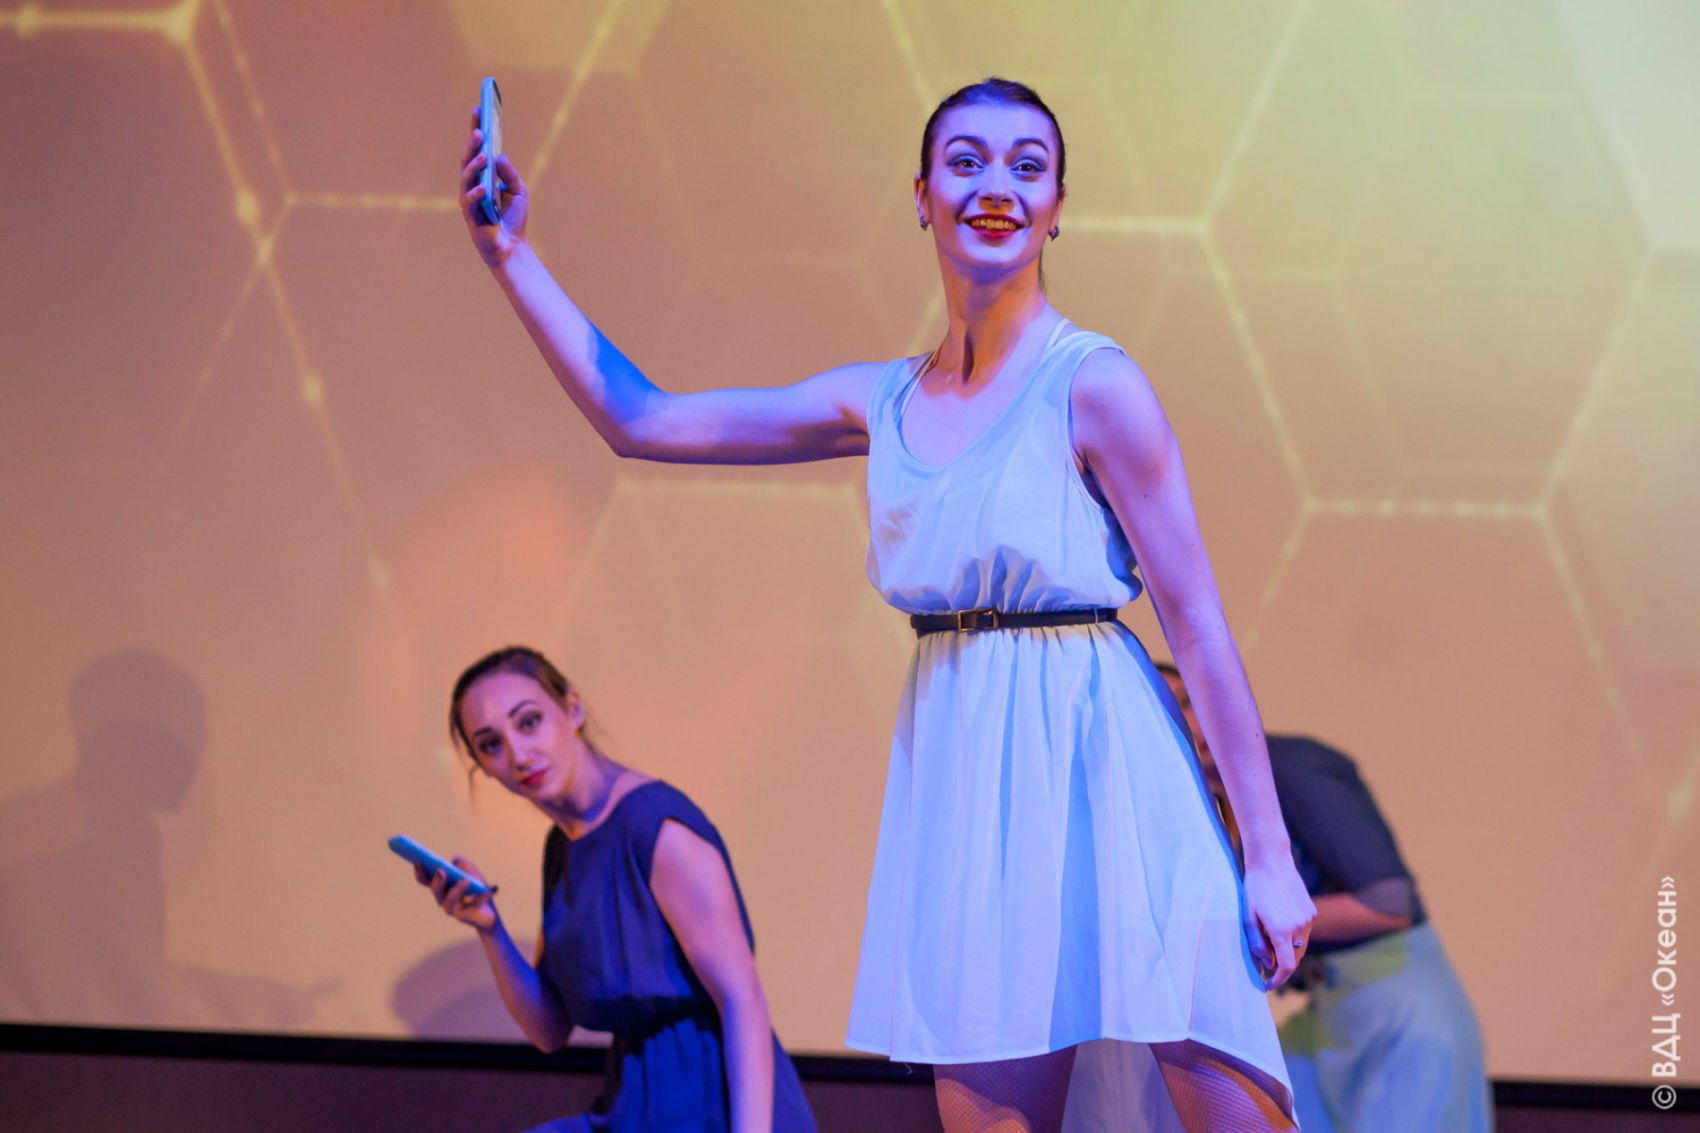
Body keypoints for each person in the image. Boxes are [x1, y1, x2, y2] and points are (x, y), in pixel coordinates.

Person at [457, 77, 1314, 1133]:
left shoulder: (1095, 384)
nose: (995, 186)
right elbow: (643, 419)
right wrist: (512, 257)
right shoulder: (882, 399)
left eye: (1027, 167)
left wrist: (1268, 856)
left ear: (1056, 208)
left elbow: (1199, 624)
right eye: (965, 162)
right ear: (920, 195)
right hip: (967, 777)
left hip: (1108, 759)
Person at [413, 646, 817, 1133]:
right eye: (491, 744)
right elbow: (549, 1031)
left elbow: (742, 997)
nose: (518, 754)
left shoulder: (656, 827)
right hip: (633, 1102)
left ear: (573, 709)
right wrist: (489, 928)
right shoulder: (562, 847)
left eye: (529, 722)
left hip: (717, 1101)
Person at [1157, 662, 1493, 1132]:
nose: (1186, 721)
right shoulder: (1196, 798)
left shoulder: (1290, 766)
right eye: (1165, 708)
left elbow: (1388, 905)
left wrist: (1238, 923)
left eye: (1189, 702)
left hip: (1397, 1016)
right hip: (1332, 1015)